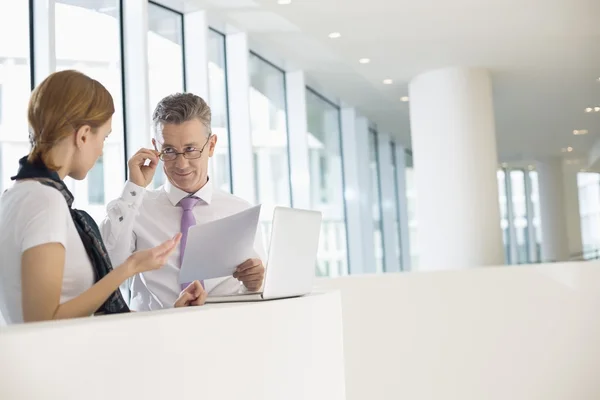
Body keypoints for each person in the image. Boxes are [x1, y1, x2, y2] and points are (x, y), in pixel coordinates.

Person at [0, 71, 207, 325]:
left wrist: (170, 314)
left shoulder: (19, 194)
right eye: (104, 137)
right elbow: (43, 321)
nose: (100, 151)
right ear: (84, 135)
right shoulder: (45, 201)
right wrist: (128, 269)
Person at [100, 93, 266, 311]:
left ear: (212, 145)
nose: (181, 164)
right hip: (153, 336)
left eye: (190, 149)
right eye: (168, 150)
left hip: (225, 333)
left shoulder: (241, 211)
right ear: (155, 147)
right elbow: (106, 268)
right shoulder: (135, 208)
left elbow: (260, 290)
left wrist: (255, 284)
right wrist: (133, 189)